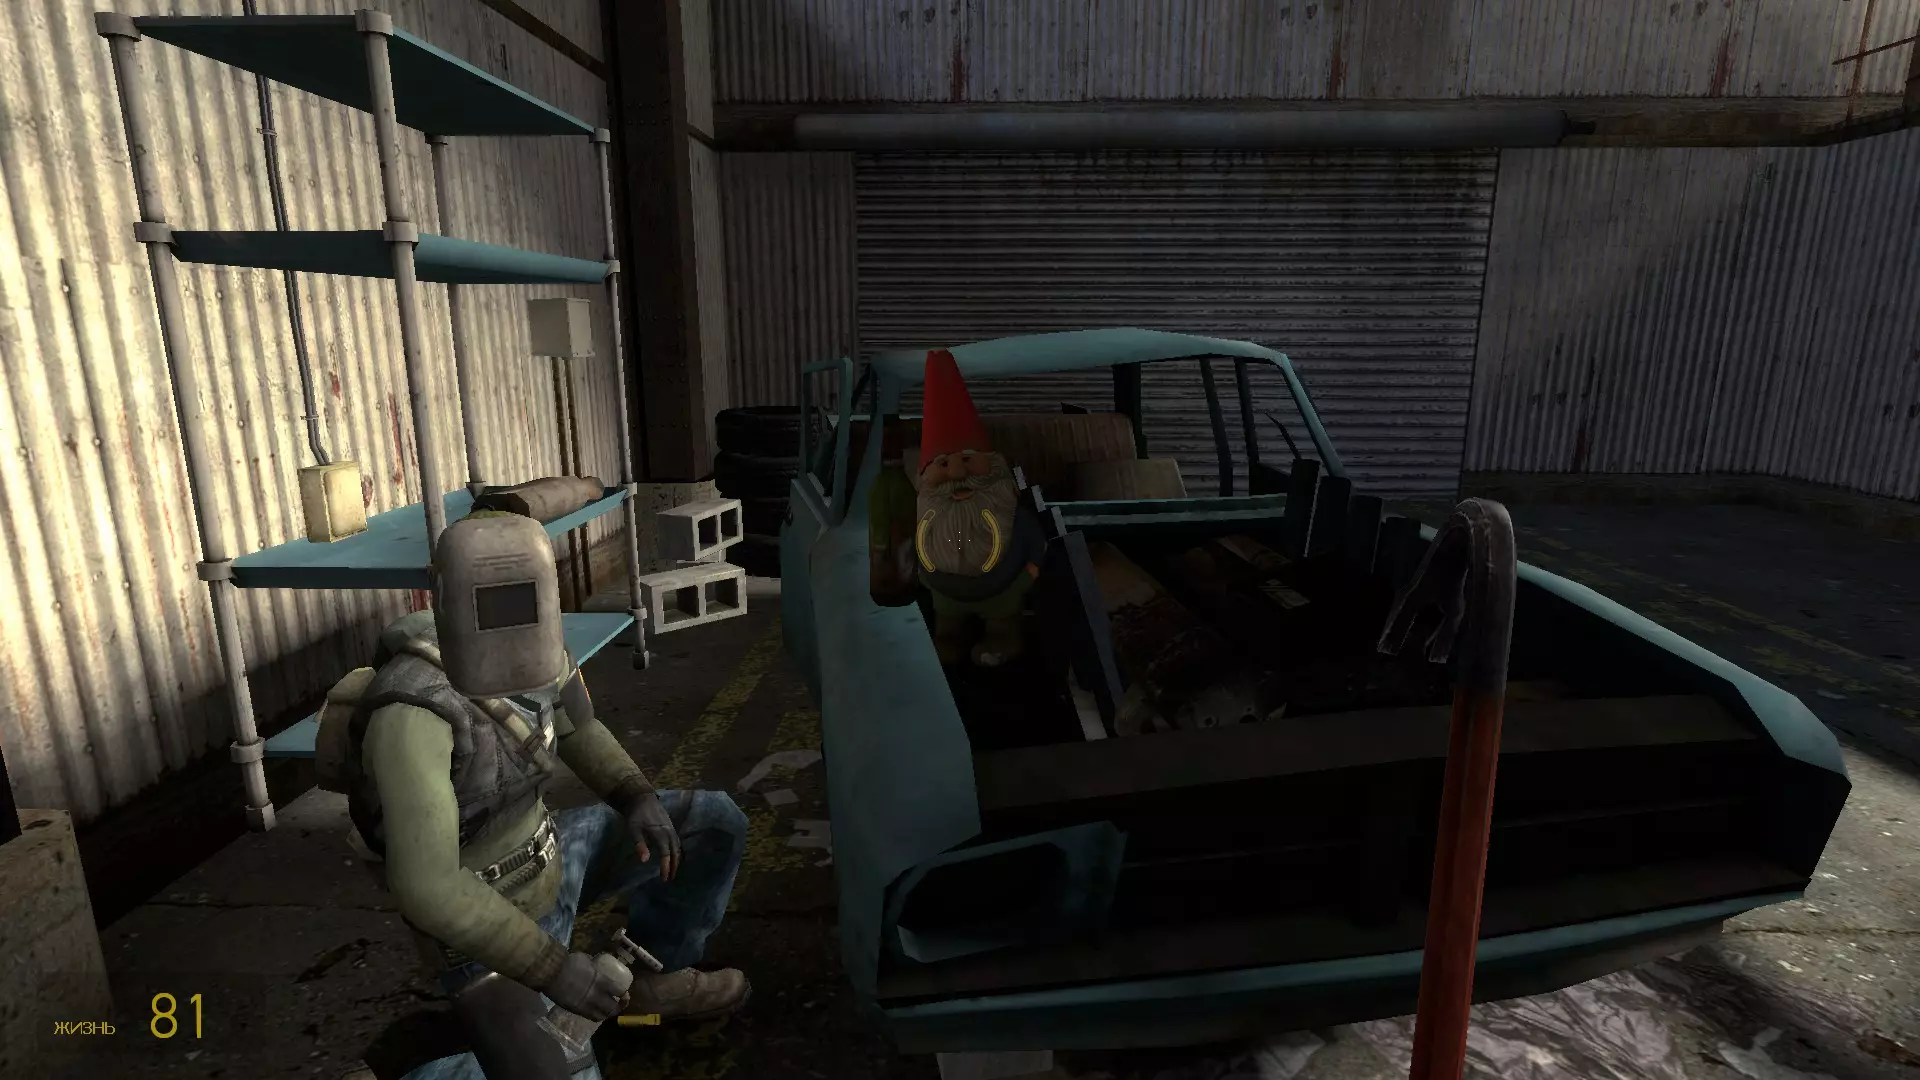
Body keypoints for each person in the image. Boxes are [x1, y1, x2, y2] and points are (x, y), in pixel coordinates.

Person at [344, 512, 751, 1079]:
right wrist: (555, 970)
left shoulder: (543, 651)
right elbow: (430, 888)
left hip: (551, 850)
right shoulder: (412, 711)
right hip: (479, 918)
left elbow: (580, 729)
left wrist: (635, 794)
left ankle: (650, 981)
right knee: (552, 1069)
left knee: (714, 823)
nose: (516, 621)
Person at [912, 349, 1050, 667]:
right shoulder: (926, 512)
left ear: (993, 465)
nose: (957, 474)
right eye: (943, 464)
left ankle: (1001, 641)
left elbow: (1034, 541)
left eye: (967, 460)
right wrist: (923, 575)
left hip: (1003, 590)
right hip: (945, 595)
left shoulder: (1007, 508)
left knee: (1003, 625)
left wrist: (1028, 575)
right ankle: (947, 643)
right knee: (947, 633)